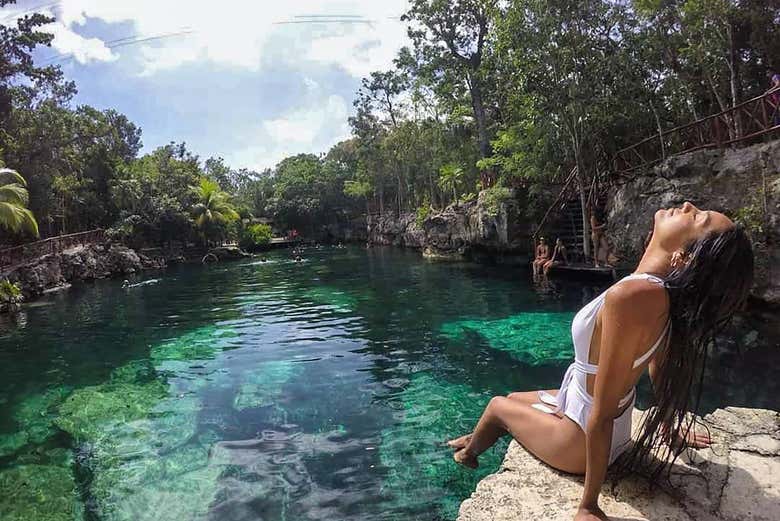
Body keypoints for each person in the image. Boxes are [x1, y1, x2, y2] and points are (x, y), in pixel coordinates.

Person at [447, 202, 753, 521]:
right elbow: (657, 365)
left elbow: (601, 411)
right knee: (512, 400)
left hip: (581, 442)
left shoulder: (633, 296)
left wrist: (588, 506)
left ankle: (468, 455)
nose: (689, 206)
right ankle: (475, 439)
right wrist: (670, 426)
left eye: (698, 218)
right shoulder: (658, 293)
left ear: (683, 257)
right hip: (594, 417)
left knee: (497, 405)